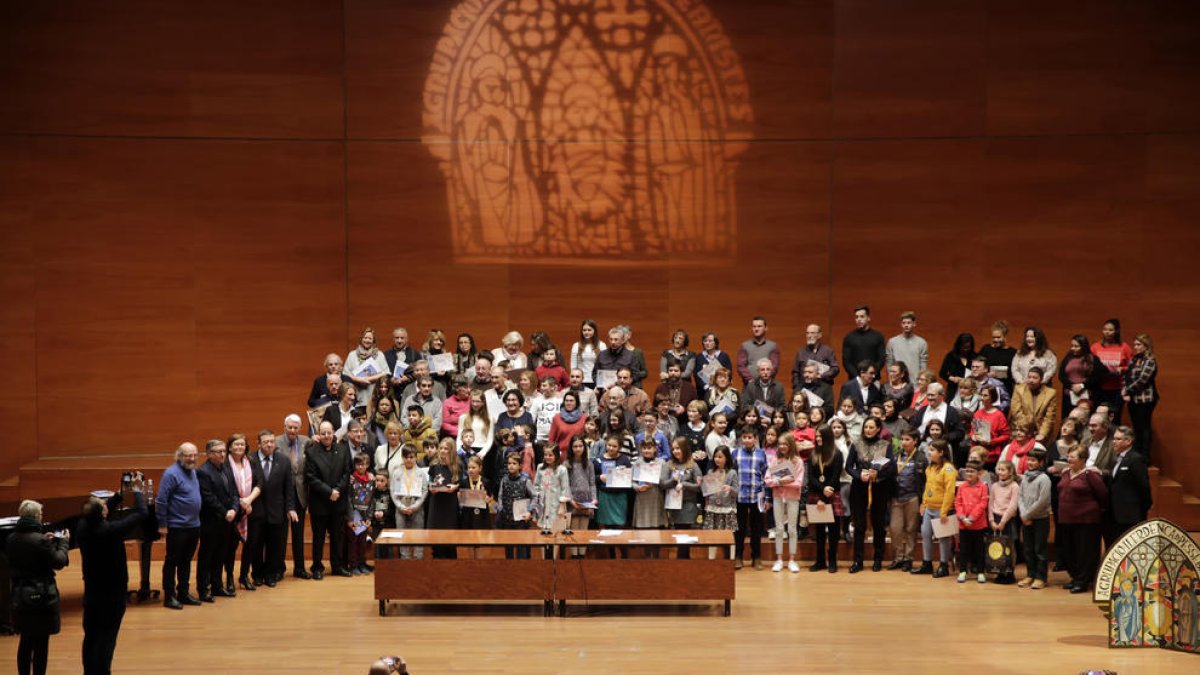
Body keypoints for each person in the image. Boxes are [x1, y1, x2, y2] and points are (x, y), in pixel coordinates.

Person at [77, 474, 148, 675]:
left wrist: (120, 493)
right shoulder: (111, 530)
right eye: (105, 506)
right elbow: (142, 513)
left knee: (90, 636)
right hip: (113, 594)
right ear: (103, 514)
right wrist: (137, 491)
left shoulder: (82, 527)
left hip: (92, 591)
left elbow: (101, 509)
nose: (107, 507)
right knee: (108, 637)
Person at [6, 500, 70, 675]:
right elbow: (59, 561)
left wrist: (46, 541)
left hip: (20, 596)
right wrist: (63, 543)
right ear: (35, 517)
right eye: (41, 514)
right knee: (41, 645)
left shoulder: (11, 539)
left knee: (25, 642)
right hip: (42, 597)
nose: (42, 517)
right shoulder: (41, 541)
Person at [846, 417, 895, 573]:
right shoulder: (856, 444)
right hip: (859, 487)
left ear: (878, 429)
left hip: (879, 488)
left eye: (871, 427)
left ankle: (878, 559)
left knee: (878, 525)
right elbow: (848, 467)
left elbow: (892, 468)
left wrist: (878, 473)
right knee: (859, 526)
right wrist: (859, 475)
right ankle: (858, 561)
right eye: (866, 427)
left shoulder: (885, 445)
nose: (867, 429)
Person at [157, 442, 203, 608]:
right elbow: (161, 500)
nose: (191, 458)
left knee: (186, 561)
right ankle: (169, 596)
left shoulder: (193, 472)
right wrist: (162, 524)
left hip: (193, 525)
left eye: (194, 455)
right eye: (187, 455)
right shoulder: (171, 473)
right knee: (172, 561)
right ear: (179, 455)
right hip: (177, 526)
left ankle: (183, 593)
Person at [1057, 446, 1108, 593]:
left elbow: (1103, 494)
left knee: (1085, 552)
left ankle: (1083, 581)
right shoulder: (1065, 473)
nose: (1069, 459)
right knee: (1069, 551)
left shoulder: (1090, 475)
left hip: (1086, 520)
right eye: (1069, 456)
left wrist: (1097, 511)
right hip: (1066, 519)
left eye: (1073, 457)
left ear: (1083, 459)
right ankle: (1075, 577)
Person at [305, 421, 351, 579]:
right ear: (319, 434)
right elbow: (310, 477)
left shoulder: (343, 450)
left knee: (337, 536)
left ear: (333, 433)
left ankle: (337, 566)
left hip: (338, 501)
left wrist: (337, 490)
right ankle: (317, 567)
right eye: (323, 433)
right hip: (320, 503)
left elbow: (347, 473)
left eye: (329, 433)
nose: (326, 436)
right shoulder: (311, 452)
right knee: (318, 537)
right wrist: (329, 491)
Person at [196, 439, 239, 601]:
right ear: (209, 454)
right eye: (218, 452)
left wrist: (234, 509)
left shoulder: (226, 468)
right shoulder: (203, 472)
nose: (223, 454)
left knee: (221, 554)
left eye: (224, 451)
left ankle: (217, 586)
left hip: (227, 521)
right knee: (207, 556)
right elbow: (208, 498)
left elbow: (234, 492)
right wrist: (225, 511)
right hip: (211, 522)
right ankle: (203, 589)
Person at [251, 429, 294, 587]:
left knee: (274, 545)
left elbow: (289, 487)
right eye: (265, 442)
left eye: (271, 441)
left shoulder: (283, 460)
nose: (269, 445)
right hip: (256, 511)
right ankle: (257, 574)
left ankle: (270, 574)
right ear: (259, 444)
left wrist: (290, 508)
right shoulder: (250, 460)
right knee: (256, 544)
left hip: (277, 511)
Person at [225, 434, 263, 593]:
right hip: (233, 511)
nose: (239, 447)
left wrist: (249, 500)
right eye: (236, 444)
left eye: (242, 444)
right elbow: (226, 487)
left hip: (250, 509)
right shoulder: (225, 463)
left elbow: (260, 483)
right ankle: (229, 579)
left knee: (250, 546)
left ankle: (244, 576)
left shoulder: (252, 461)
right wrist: (241, 502)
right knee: (230, 548)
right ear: (230, 447)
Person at [913, 439, 956, 578]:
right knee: (925, 535)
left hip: (941, 510)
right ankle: (927, 563)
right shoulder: (930, 468)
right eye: (929, 449)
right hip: (929, 509)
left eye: (932, 450)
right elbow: (928, 488)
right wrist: (923, 504)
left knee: (943, 538)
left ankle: (944, 566)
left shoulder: (948, 469)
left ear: (941, 452)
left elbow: (950, 492)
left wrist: (944, 511)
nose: (928, 452)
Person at [275, 415, 311, 579]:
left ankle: (300, 568)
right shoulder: (275, 443)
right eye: (289, 427)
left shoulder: (306, 441)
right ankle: (279, 568)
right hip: (281, 495)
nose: (292, 430)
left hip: (300, 494)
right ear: (284, 427)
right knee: (281, 534)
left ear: (300, 428)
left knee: (298, 534)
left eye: (295, 428)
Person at [1104, 426, 1152, 547]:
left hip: (1130, 515)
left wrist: (1142, 509)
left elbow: (1144, 487)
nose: (1114, 441)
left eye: (1118, 439)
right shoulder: (1116, 459)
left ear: (1128, 441)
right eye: (1114, 438)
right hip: (1114, 514)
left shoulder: (1136, 459)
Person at [888, 426, 927, 572]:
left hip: (913, 498)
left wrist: (923, 501)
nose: (904, 442)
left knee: (911, 529)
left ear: (915, 441)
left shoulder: (921, 458)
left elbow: (925, 481)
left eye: (907, 440)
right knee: (895, 529)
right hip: (896, 497)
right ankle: (898, 557)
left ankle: (908, 559)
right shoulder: (895, 455)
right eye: (902, 439)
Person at [764, 434, 804, 573]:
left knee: (792, 529)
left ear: (791, 445)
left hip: (793, 498)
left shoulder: (797, 461)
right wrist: (781, 481)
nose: (782, 447)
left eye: (785, 444)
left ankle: (792, 560)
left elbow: (799, 482)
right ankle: (779, 559)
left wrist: (787, 481)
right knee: (779, 529)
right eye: (780, 444)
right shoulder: (775, 461)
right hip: (777, 497)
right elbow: (768, 480)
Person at [807, 425, 844, 573]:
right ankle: (820, 560)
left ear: (828, 437)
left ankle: (833, 561)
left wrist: (825, 494)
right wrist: (822, 492)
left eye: (821, 436)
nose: (818, 439)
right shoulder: (813, 454)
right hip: (818, 494)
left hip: (832, 495)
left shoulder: (837, 454)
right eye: (816, 436)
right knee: (820, 531)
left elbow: (835, 478)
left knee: (834, 532)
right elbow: (811, 477)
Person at [732, 426, 768, 570]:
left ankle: (756, 558)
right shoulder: (735, 453)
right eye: (744, 437)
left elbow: (766, 474)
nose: (747, 440)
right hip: (739, 496)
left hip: (757, 496)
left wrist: (767, 497)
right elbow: (732, 473)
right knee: (739, 529)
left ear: (755, 439)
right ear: (741, 439)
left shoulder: (761, 454)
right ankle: (738, 557)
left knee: (756, 529)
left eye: (750, 437)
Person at [1017, 448, 1053, 589]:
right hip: (1026, 518)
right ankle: (1030, 574)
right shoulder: (1025, 477)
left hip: (1040, 518)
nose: (1030, 463)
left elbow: (1042, 501)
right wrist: (1023, 514)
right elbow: (1020, 496)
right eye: (1029, 460)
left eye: (1033, 460)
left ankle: (1041, 577)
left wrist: (1027, 515)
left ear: (1041, 462)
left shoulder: (1044, 479)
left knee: (1040, 549)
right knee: (1028, 548)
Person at [1123, 333, 1158, 461]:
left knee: (1144, 427)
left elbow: (1142, 380)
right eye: (1134, 344)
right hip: (1133, 399)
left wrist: (1127, 391)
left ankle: (1145, 456)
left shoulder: (1150, 360)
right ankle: (1136, 454)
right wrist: (1124, 390)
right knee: (1136, 427)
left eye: (1138, 344)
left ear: (1146, 346)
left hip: (1145, 399)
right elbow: (1126, 376)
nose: (1135, 347)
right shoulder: (1134, 359)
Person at [390, 446, 428, 560]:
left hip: (417, 508)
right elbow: (393, 491)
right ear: (402, 457)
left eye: (411, 457)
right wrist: (400, 506)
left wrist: (415, 506)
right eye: (406, 457)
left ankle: (418, 561)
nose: (409, 460)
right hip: (401, 508)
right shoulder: (397, 472)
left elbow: (424, 490)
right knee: (403, 537)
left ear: (416, 457)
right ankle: (405, 561)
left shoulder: (421, 473)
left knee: (418, 537)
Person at [1091, 318, 1133, 422]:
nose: (1107, 332)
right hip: (1099, 388)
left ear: (1116, 331)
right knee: (1099, 418)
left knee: (1115, 417)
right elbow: (1089, 365)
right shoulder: (1095, 347)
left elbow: (1133, 366)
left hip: (1117, 389)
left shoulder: (1124, 347)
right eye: (1105, 329)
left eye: (1110, 330)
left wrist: (1122, 369)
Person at [954, 461, 989, 584]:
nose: (969, 473)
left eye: (972, 471)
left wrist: (972, 518)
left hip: (978, 525)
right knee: (964, 549)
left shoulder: (983, 487)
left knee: (979, 549)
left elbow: (982, 504)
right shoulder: (962, 487)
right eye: (967, 471)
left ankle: (980, 572)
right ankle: (962, 571)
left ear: (979, 474)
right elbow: (957, 503)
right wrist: (962, 517)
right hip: (964, 525)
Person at [426, 439, 462, 558]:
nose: (442, 451)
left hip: (450, 505)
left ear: (451, 450)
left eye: (446, 448)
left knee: (450, 538)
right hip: (436, 504)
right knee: (436, 538)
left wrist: (455, 486)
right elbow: (430, 482)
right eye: (441, 448)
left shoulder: (458, 465)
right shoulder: (434, 465)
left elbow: (461, 483)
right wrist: (431, 487)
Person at [495, 453, 535, 559]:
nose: (511, 466)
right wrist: (500, 508)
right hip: (507, 520)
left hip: (521, 520)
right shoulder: (504, 479)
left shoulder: (525, 480)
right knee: (508, 550)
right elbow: (500, 496)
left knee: (522, 550)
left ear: (520, 465)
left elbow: (535, 497)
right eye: (509, 463)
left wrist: (529, 511)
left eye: (514, 463)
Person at [988, 459, 1021, 584]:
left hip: (1008, 520)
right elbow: (990, 504)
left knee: (1008, 547)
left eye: (1003, 470)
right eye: (999, 469)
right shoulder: (995, 486)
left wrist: (1003, 522)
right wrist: (991, 520)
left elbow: (1012, 506)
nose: (1000, 472)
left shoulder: (1014, 486)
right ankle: (999, 571)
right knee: (997, 546)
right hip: (995, 520)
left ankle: (1009, 573)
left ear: (1010, 471)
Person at [1058, 334, 1105, 416]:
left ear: (1083, 346)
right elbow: (1061, 376)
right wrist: (1071, 386)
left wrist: (1082, 385)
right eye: (1072, 346)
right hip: (1069, 395)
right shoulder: (1068, 358)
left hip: (1087, 395)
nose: (1073, 348)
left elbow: (1099, 375)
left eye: (1076, 346)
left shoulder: (1092, 358)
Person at [1009, 367, 1058, 445]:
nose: (1031, 380)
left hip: (1040, 429)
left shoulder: (1050, 393)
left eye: (1035, 378)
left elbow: (1049, 417)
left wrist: (1042, 434)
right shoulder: (1019, 389)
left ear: (1041, 380)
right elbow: (1016, 411)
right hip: (1022, 427)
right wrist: (1026, 430)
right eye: (1029, 377)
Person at [532, 443, 571, 535]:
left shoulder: (562, 470)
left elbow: (565, 489)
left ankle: (554, 549)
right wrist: (536, 502)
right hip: (542, 504)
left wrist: (562, 506)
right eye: (545, 455)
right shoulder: (540, 467)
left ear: (556, 455)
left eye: (550, 455)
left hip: (556, 505)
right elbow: (536, 486)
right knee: (542, 532)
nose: (547, 457)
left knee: (555, 532)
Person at [344, 327, 390, 401]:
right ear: (361, 339)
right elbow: (345, 375)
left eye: (370, 338)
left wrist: (369, 379)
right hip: (356, 395)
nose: (367, 340)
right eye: (365, 338)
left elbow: (386, 373)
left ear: (373, 341)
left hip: (374, 394)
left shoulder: (379, 355)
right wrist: (358, 379)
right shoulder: (352, 355)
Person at [842, 305, 886, 381]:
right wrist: (858, 377)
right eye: (856, 317)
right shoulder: (849, 337)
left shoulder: (878, 336)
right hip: (855, 380)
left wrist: (871, 374)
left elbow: (881, 359)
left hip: (874, 379)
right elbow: (846, 361)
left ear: (868, 318)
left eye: (862, 316)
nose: (859, 319)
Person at [970, 385, 1010, 467]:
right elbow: (973, 430)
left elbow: (1006, 435)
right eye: (981, 395)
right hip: (977, 452)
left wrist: (992, 441)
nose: (982, 398)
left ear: (992, 397)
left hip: (991, 454)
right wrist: (973, 436)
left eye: (985, 395)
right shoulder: (978, 413)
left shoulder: (999, 415)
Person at [792, 323, 840, 389]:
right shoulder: (801, 352)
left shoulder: (828, 351)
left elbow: (835, 368)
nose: (809, 335)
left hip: (823, 388)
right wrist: (796, 387)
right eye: (807, 333)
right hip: (805, 388)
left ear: (819, 335)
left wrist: (821, 375)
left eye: (812, 333)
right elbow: (795, 372)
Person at [736, 316, 780, 385]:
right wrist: (750, 379)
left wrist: (764, 379)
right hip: (749, 386)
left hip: (767, 385)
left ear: (765, 328)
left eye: (759, 326)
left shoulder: (773, 346)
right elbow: (741, 366)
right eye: (754, 326)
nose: (756, 329)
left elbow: (774, 367)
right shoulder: (744, 346)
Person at [886, 311, 928, 381]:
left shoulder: (922, 343)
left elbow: (923, 365)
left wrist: (921, 382)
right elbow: (889, 362)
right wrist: (892, 379)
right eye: (904, 323)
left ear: (914, 324)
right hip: (897, 383)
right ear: (901, 324)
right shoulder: (892, 342)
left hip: (915, 383)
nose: (906, 325)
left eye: (909, 323)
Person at [978, 320, 1017, 392]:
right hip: (986, 390)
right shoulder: (986, 349)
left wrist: (1000, 373)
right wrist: (986, 374)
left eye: (998, 337)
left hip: (1005, 390)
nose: (996, 340)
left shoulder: (1013, 352)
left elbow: (1014, 373)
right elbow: (977, 367)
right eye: (993, 337)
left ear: (1005, 336)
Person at [694, 332, 733, 399]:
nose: (707, 343)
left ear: (715, 343)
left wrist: (720, 386)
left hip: (722, 390)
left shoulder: (723, 356)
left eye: (710, 341)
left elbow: (729, 373)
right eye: (705, 341)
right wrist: (707, 387)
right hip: (704, 392)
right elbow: (697, 375)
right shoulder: (699, 357)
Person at [938, 332, 976, 400]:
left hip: (970, 393)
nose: (966, 350)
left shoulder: (975, 357)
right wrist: (953, 378)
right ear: (959, 346)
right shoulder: (951, 356)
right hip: (953, 390)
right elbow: (942, 373)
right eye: (964, 347)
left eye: (968, 348)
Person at [458, 455, 493, 530]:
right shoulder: (464, 482)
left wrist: (488, 499)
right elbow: (461, 499)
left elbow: (490, 497)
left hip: (482, 514)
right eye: (469, 468)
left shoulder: (486, 482)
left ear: (480, 468)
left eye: (473, 468)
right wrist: (459, 497)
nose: (470, 470)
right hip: (467, 515)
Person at [570, 319, 604, 387]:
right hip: (581, 381)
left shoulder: (602, 345)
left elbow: (603, 367)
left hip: (596, 382)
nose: (586, 332)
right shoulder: (576, 346)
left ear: (594, 331)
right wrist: (575, 380)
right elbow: (573, 366)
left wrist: (600, 385)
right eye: (584, 330)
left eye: (589, 330)